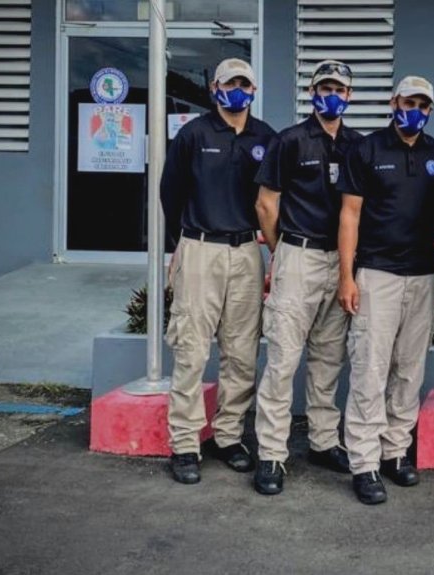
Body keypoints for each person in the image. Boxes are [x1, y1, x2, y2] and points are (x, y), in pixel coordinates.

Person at [337, 76, 434, 505]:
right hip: (376, 274)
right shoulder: (366, 150)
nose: (415, 109)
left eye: (424, 104)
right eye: (409, 101)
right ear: (394, 101)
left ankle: (395, 450)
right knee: (369, 368)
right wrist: (346, 276)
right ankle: (364, 461)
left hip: (422, 274)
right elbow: (349, 215)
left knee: (409, 370)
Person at [161, 58, 275, 485]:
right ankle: (186, 442)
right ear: (214, 88)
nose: (239, 90)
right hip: (201, 248)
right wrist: (183, 245)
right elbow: (171, 193)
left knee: (242, 350)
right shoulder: (193, 134)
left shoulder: (266, 137)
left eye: (246, 83)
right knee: (191, 348)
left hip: (246, 249)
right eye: (231, 83)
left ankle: (228, 436)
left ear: (254, 88)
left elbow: (271, 201)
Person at [251, 60, 363, 495]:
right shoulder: (290, 140)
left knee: (328, 358)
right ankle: (272, 455)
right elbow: (266, 204)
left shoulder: (358, 145)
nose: (331, 95)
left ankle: (322, 440)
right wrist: (283, 251)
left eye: (338, 88)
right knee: (282, 360)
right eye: (324, 87)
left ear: (349, 96)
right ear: (312, 92)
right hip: (298, 255)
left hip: (341, 261)